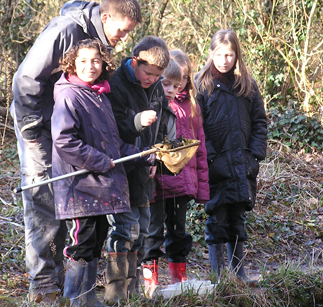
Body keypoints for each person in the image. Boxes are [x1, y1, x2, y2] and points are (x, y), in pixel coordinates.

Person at [10, 0, 141, 302]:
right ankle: (44, 287)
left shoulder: (97, 43)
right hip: (39, 129)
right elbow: (26, 79)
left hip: (67, 133)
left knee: (71, 209)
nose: (122, 39)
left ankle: (68, 285)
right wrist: (32, 129)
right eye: (121, 30)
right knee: (44, 202)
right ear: (106, 18)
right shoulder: (65, 31)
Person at [51, 40, 149, 307]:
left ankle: (89, 299)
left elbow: (113, 145)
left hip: (101, 188)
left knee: (95, 242)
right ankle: (73, 298)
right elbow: (64, 141)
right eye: (82, 61)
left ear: (104, 63)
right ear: (72, 63)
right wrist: (100, 160)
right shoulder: (69, 96)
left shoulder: (100, 96)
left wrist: (146, 154)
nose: (89, 66)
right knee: (80, 245)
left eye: (95, 60)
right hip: (79, 187)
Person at [196, 29, 267, 281]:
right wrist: (211, 158)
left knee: (237, 217)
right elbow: (198, 127)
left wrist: (255, 154)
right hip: (215, 165)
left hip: (243, 163)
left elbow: (259, 122)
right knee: (217, 217)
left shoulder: (247, 85)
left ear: (237, 55)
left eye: (230, 54)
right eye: (220, 54)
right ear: (211, 54)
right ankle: (218, 276)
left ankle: (239, 273)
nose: (224, 60)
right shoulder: (201, 85)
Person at [104, 36, 170, 302]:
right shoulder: (116, 83)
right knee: (124, 231)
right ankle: (114, 295)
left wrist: (158, 158)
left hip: (146, 169)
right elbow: (113, 128)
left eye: (157, 76)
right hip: (121, 170)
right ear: (135, 62)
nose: (151, 79)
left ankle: (131, 296)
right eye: (147, 73)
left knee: (143, 231)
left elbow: (162, 124)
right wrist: (137, 122)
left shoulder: (156, 89)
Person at [143, 51, 210, 286]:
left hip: (182, 183)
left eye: (179, 81)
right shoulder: (153, 106)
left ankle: (178, 283)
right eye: (168, 82)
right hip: (156, 182)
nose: (173, 88)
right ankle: (150, 285)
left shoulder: (191, 106)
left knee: (178, 233)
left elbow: (199, 149)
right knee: (153, 233)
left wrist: (202, 188)